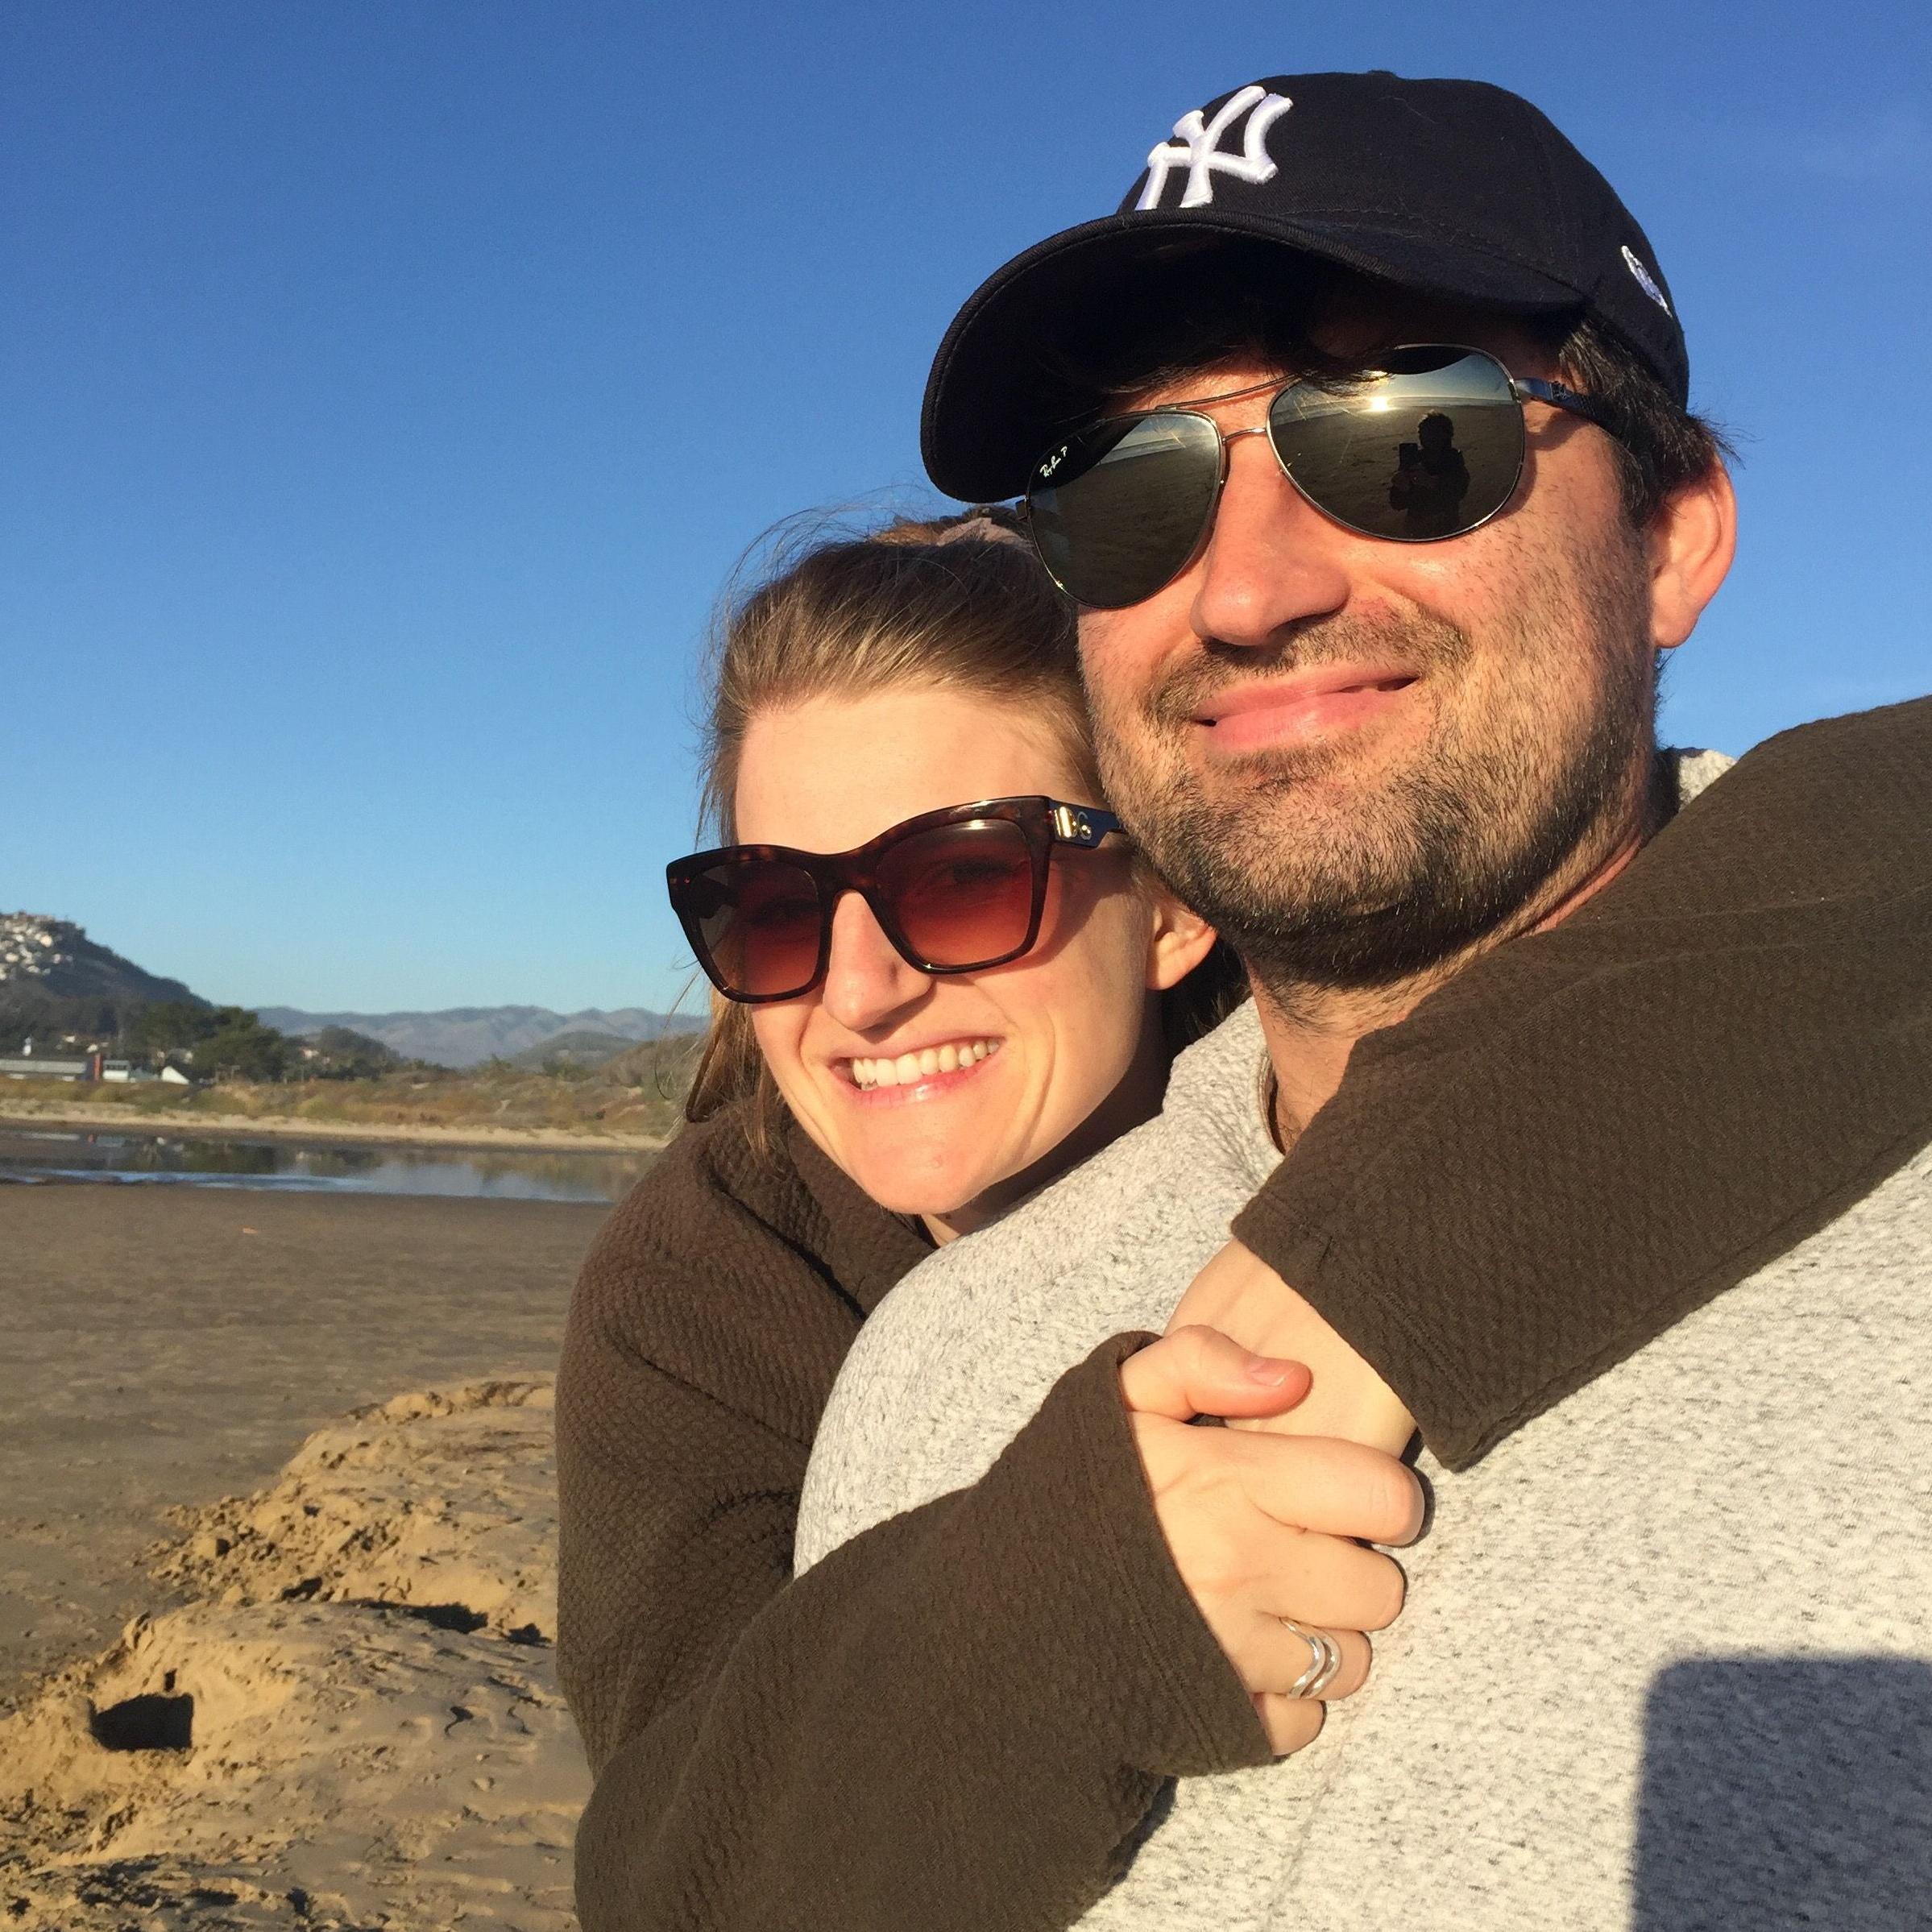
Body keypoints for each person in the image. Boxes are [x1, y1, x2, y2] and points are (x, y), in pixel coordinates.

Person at [788, 68, 1932, 1931]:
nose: (1242, 590)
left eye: (1410, 434)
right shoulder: (933, 1369)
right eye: (1127, 490)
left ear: (1669, 536)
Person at [558, 512, 1424, 1930]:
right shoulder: (701, 1284)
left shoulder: (1344, 1106)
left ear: (1168, 905)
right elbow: (676, 1865)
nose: (857, 993)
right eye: (775, 906)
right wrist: (1066, 1607)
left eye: (961, 877)